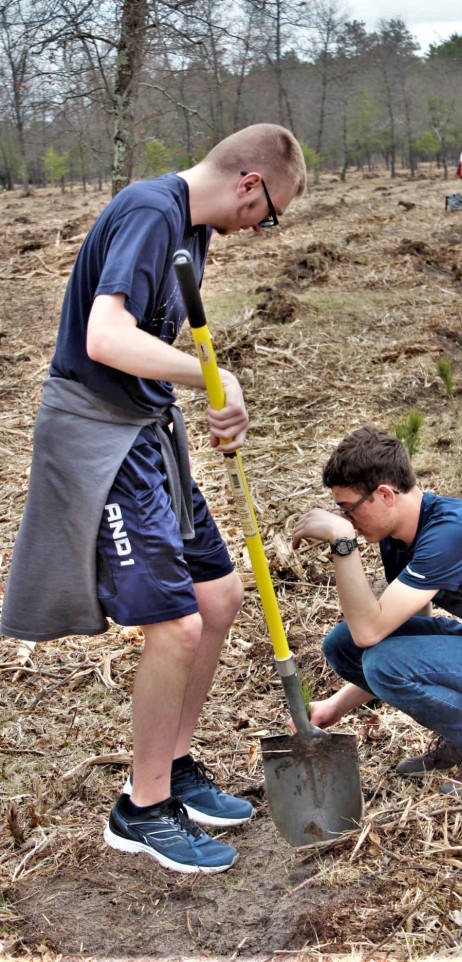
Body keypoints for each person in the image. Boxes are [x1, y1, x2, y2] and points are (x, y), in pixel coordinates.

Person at [1, 123, 307, 873]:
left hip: (146, 429)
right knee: (172, 625)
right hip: (99, 438)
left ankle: (172, 767)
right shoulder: (150, 212)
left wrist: (211, 399)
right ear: (247, 183)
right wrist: (211, 379)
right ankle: (140, 809)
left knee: (219, 597)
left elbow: (158, 346)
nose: (264, 228)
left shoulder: (191, 230)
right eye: (270, 213)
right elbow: (106, 338)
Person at [290, 426, 462, 795]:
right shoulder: (399, 538)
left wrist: (342, 543)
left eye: (348, 509)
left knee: (378, 657)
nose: (347, 522)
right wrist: (335, 706)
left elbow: (372, 633)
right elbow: (405, 634)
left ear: (385, 495)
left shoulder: (454, 530)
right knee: (342, 645)